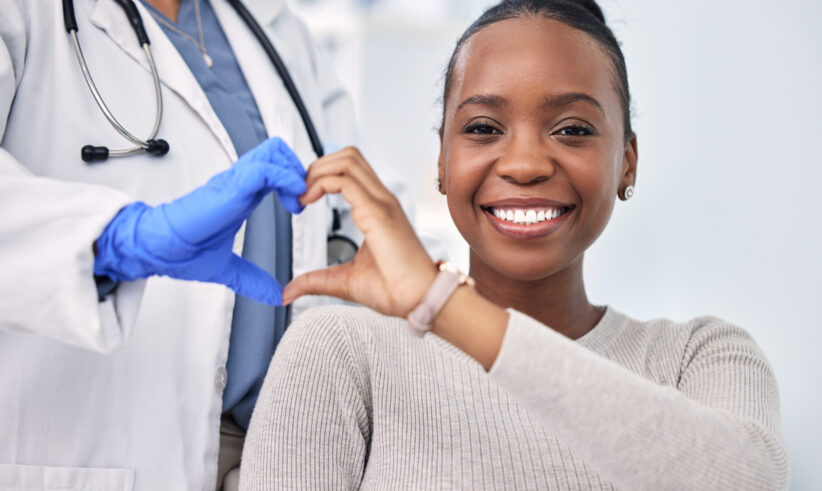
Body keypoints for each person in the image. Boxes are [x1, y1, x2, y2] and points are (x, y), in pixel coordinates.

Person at [240, 0, 790, 489]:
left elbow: (747, 480)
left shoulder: (701, 358)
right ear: (441, 161)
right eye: (482, 127)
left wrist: (443, 302)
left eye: (572, 129)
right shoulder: (340, 351)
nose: (525, 164)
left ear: (627, 159)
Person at [0, 0, 410, 489]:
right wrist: (120, 242)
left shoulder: (274, 28)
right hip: (94, 450)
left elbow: (377, 213)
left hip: (284, 455)